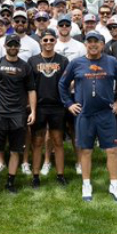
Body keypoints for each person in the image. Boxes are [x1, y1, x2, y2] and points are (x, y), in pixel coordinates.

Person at [60, 31, 117, 202]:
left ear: (102, 44)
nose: (93, 45)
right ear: (85, 44)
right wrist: (69, 104)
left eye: (97, 42)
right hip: (84, 114)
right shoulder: (76, 63)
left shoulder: (111, 61)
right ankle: (86, 184)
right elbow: (62, 84)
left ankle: (114, 185)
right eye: (90, 42)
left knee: (112, 150)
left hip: (106, 113)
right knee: (85, 150)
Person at [0, 34, 37, 199]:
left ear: (19, 47)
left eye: (15, 45)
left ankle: (10, 182)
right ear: (5, 46)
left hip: (18, 114)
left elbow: (31, 90)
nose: (13, 47)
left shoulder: (25, 67)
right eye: (10, 45)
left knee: (15, 151)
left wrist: (33, 111)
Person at [28, 29, 70, 187]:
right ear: (40, 42)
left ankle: (60, 175)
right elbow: (29, 87)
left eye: (51, 40)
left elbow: (67, 83)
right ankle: (36, 176)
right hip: (39, 107)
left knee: (58, 141)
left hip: (57, 106)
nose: (48, 43)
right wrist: (31, 107)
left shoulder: (63, 61)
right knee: (37, 142)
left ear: (55, 41)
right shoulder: (32, 61)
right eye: (45, 40)